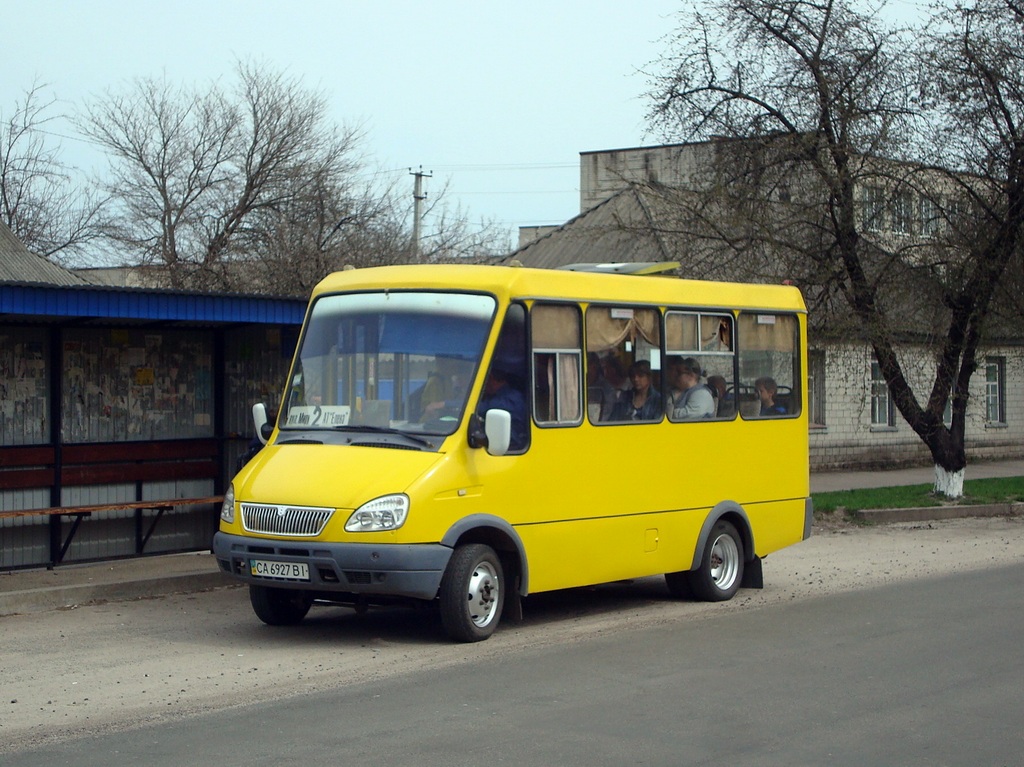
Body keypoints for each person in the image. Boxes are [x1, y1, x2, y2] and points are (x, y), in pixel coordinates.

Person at [477, 365, 529, 450]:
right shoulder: (498, 397)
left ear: (490, 378)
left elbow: (480, 409)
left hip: (512, 448)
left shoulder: (510, 399)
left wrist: (452, 406)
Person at [587, 352, 620, 421]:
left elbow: (605, 416)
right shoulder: (575, 385)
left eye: (589, 365)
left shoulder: (607, 389)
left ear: (595, 366)